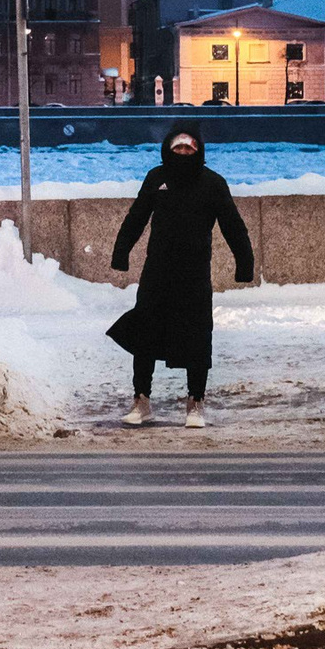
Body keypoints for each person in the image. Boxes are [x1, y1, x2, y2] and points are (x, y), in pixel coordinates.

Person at [107, 124, 253, 428]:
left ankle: (195, 403)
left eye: (189, 148)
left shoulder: (213, 183)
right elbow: (136, 218)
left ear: (198, 150)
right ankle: (141, 400)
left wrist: (245, 263)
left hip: (194, 274)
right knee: (145, 333)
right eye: (178, 147)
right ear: (168, 149)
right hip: (157, 271)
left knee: (198, 337)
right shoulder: (156, 178)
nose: (183, 152)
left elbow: (233, 226)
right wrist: (121, 253)